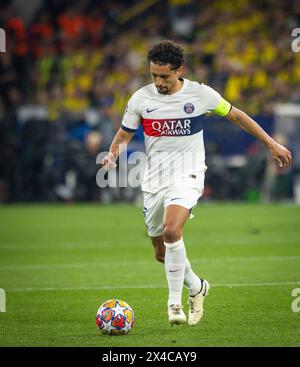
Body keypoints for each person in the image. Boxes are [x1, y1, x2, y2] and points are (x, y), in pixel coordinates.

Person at [102, 40, 292, 326]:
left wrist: (271, 143)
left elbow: (237, 116)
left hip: (188, 173)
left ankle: (174, 305)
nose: (158, 82)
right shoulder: (141, 98)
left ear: (179, 70)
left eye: (164, 76)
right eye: (153, 75)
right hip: (154, 179)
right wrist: (112, 154)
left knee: (171, 229)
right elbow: (124, 134)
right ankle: (197, 285)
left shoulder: (201, 94)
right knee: (161, 252)